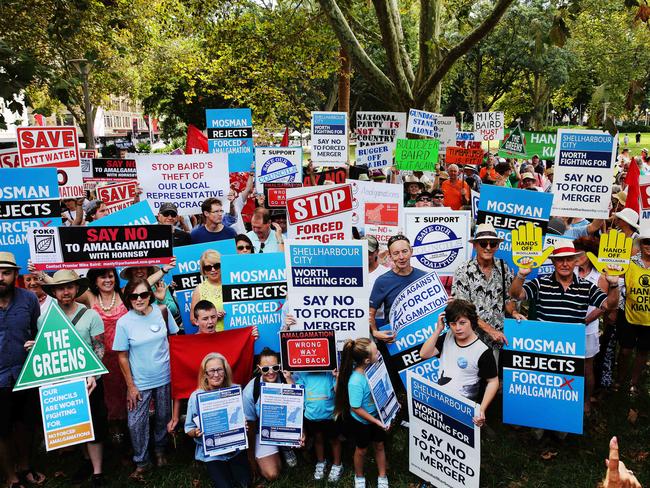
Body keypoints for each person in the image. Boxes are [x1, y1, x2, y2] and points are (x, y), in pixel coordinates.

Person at [40, 270, 108, 486]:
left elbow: (99, 348)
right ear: (54, 291)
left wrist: (93, 375)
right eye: (61, 288)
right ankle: (86, 461)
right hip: (63, 381)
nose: (66, 291)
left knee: (95, 424)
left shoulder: (91, 315)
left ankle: (98, 472)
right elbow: (46, 348)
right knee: (77, 424)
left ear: (77, 289)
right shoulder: (45, 319)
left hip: (90, 381)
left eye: (70, 287)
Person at [113, 278, 179, 481]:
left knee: (163, 416)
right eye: (134, 296)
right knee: (136, 423)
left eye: (143, 294)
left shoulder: (162, 312)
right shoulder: (124, 322)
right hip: (139, 381)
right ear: (128, 298)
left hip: (165, 376)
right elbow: (122, 356)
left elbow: (174, 340)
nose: (139, 299)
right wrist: (131, 386)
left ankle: (159, 450)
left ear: (150, 295)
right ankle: (141, 461)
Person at [0, 252, 46, 488]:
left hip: (24, 374)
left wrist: (35, 344)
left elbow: (36, 332)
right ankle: (11, 476)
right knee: (2, 429)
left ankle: (26, 467)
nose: (1, 277)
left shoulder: (28, 299)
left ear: (15, 275)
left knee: (26, 424)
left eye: (6, 272)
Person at [419, 300, 499, 426]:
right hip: (440, 401)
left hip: (463, 408)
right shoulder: (446, 337)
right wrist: (438, 330)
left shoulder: (483, 351)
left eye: (462, 323)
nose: (458, 328)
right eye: (453, 323)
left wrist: (481, 409)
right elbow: (424, 354)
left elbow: (493, 381)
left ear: (471, 322)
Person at [185, 353, 251, 488]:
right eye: (211, 371)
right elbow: (188, 428)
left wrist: (243, 426)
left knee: (244, 484)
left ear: (225, 372)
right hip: (213, 452)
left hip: (235, 449)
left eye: (219, 369)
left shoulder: (235, 390)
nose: (216, 374)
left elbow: (242, 418)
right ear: (204, 374)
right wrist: (196, 433)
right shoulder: (196, 396)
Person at [452, 224, 515, 359]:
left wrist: (514, 312)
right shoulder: (463, 270)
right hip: (470, 340)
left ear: (497, 246)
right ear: (475, 246)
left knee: (493, 379)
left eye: (492, 243)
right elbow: (462, 309)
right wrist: (489, 330)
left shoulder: (504, 268)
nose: (488, 247)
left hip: (497, 342)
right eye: (483, 243)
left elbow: (508, 300)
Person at [335, 338, 389, 488]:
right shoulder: (356, 381)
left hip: (378, 416)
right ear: (366, 360)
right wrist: (376, 422)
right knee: (362, 450)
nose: (378, 352)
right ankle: (359, 477)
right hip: (362, 422)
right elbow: (355, 407)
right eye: (375, 351)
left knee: (379, 445)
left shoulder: (375, 367)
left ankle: (382, 476)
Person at [83, 268, 129, 436]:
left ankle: (129, 434)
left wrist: (163, 270)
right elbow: (65, 291)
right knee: (108, 398)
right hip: (101, 358)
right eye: (103, 277)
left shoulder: (124, 293)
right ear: (95, 281)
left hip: (125, 356)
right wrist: (42, 275)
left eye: (111, 276)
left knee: (127, 394)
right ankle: (113, 434)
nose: (108, 280)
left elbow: (145, 284)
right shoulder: (89, 296)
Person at [242, 348, 295, 482]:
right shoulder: (251, 390)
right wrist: (251, 457)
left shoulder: (287, 378)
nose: (271, 372)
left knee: (305, 442)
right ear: (258, 368)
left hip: (287, 425)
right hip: (262, 432)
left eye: (275, 367)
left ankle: (287, 447)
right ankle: (280, 449)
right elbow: (251, 426)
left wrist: (302, 432)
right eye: (266, 369)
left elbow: (299, 408)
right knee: (272, 474)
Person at [572, 237, 609, 413]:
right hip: (568, 327)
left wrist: (585, 321)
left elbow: (604, 306)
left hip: (588, 328)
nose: (575, 256)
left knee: (587, 367)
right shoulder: (570, 270)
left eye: (579, 253)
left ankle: (586, 401)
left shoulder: (600, 275)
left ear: (589, 254)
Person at [369, 235, 427, 343]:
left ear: (411, 252)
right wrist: (375, 332)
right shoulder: (382, 281)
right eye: (396, 253)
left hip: (422, 339)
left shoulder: (424, 277)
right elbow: (370, 313)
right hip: (394, 343)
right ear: (390, 256)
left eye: (405, 251)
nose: (401, 257)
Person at [617, 228, 650, 396]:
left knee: (643, 351)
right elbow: (620, 284)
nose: (649, 245)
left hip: (648, 318)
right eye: (646, 241)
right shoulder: (629, 262)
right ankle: (620, 379)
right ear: (641, 243)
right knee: (625, 350)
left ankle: (634, 383)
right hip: (628, 313)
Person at [190, 250, 225, 330]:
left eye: (216, 266)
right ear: (203, 270)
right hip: (214, 337)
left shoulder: (232, 283)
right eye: (208, 267)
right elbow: (193, 320)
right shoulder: (199, 290)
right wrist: (213, 317)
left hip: (236, 334)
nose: (213, 270)